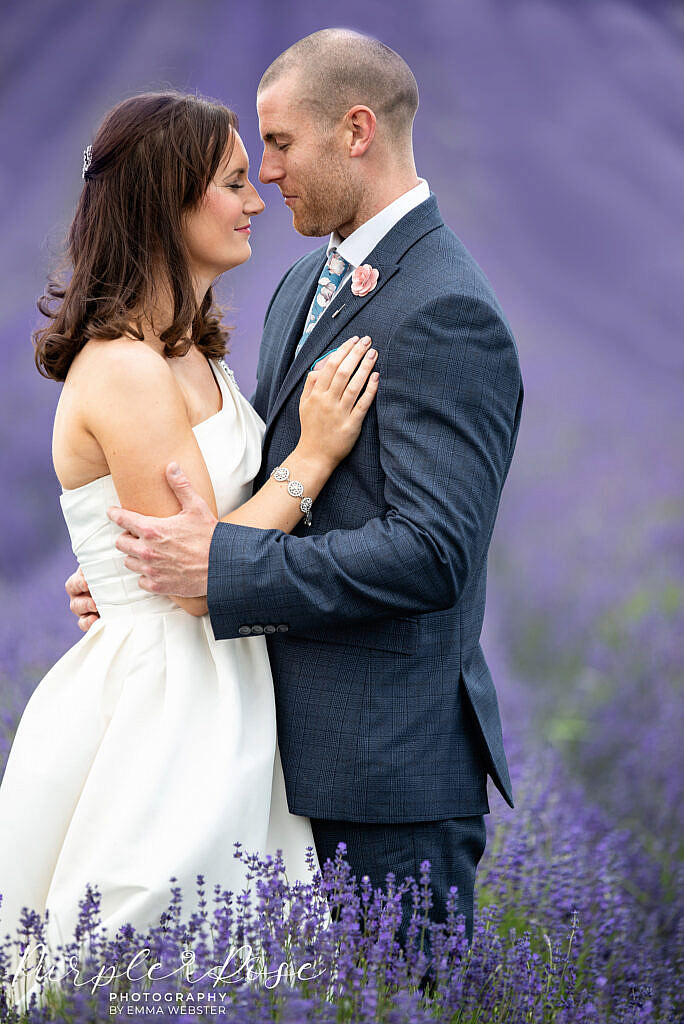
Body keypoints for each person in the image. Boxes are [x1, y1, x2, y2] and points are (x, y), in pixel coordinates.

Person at [68, 29, 524, 945]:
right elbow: (239, 490)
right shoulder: (301, 284)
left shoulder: (446, 309)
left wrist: (216, 571)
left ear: (356, 130)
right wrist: (139, 579)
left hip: (383, 776)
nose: (266, 177)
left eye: (278, 145)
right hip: (267, 754)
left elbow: (432, 554)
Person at [0, 91, 379, 955]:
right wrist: (313, 457)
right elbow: (201, 573)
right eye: (235, 181)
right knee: (152, 956)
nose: (257, 200)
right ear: (165, 201)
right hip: (169, 703)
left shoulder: (193, 353)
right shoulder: (126, 368)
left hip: (229, 687)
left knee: (237, 961)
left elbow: (207, 542)